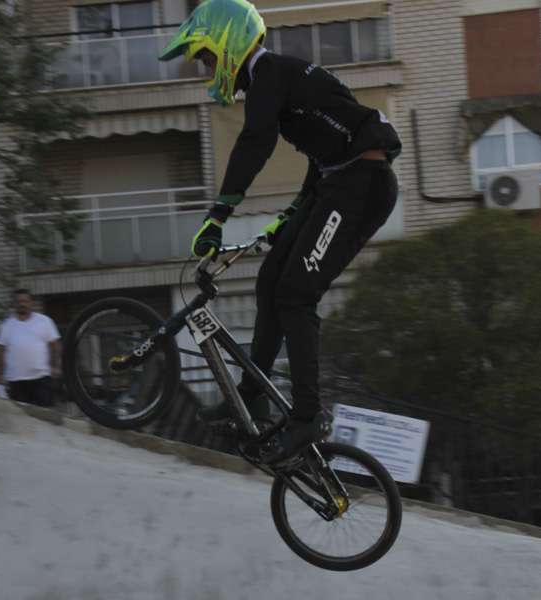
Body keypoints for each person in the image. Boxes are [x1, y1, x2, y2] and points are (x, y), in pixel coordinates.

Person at [158, 0, 401, 466]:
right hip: (337, 181)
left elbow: (256, 142)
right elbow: (323, 152)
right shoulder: (277, 81)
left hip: (362, 186)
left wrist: (218, 214)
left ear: (227, 43)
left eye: (207, 59)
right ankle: (251, 396)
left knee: (295, 293)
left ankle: (308, 416)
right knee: (270, 279)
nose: (208, 70)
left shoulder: (270, 74)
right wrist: (290, 215)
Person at [0, 289, 62, 408]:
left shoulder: (44, 321)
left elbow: (56, 346)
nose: (22, 304)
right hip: (16, 381)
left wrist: (56, 365)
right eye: (18, 301)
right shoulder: (6, 325)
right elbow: (0, 354)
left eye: (24, 301)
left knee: (48, 416)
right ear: (14, 304)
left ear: (30, 303)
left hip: (40, 378)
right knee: (21, 419)